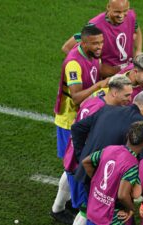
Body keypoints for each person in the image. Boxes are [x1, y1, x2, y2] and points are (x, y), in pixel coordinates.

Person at [51, 24, 108, 224]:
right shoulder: (73, 63)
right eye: (95, 43)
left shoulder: (93, 54)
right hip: (69, 122)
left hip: (81, 119)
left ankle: (61, 206)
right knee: (73, 167)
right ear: (83, 43)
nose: (100, 46)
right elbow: (75, 97)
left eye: (101, 42)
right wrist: (99, 86)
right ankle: (67, 206)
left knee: (72, 166)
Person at [58, 76, 132, 225]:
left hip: (77, 162)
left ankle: (57, 208)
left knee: (85, 209)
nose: (129, 100)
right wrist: (82, 158)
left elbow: (76, 125)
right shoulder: (101, 110)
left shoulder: (94, 101)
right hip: (83, 165)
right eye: (127, 95)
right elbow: (80, 132)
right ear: (114, 93)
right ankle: (57, 208)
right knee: (87, 210)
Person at [71, 89, 143, 185]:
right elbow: (142, 159)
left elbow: (77, 128)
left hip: (86, 169)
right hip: (108, 180)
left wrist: (80, 155)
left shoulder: (107, 109)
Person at [82, 121, 143, 225]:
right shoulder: (132, 164)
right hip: (111, 218)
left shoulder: (109, 149)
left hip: (93, 211)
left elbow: (86, 162)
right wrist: (131, 209)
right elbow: (123, 195)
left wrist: (97, 179)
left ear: (127, 136)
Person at [62, 0, 143, 76]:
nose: (121, 15)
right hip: (107, 77)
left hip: (128, 70)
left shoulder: (130, 15)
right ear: (108, 7)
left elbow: (136, 30)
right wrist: (91, 66)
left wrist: (138, 50)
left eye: (125, 11)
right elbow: (67, 47)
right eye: (117, 12)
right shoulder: (95, 25)